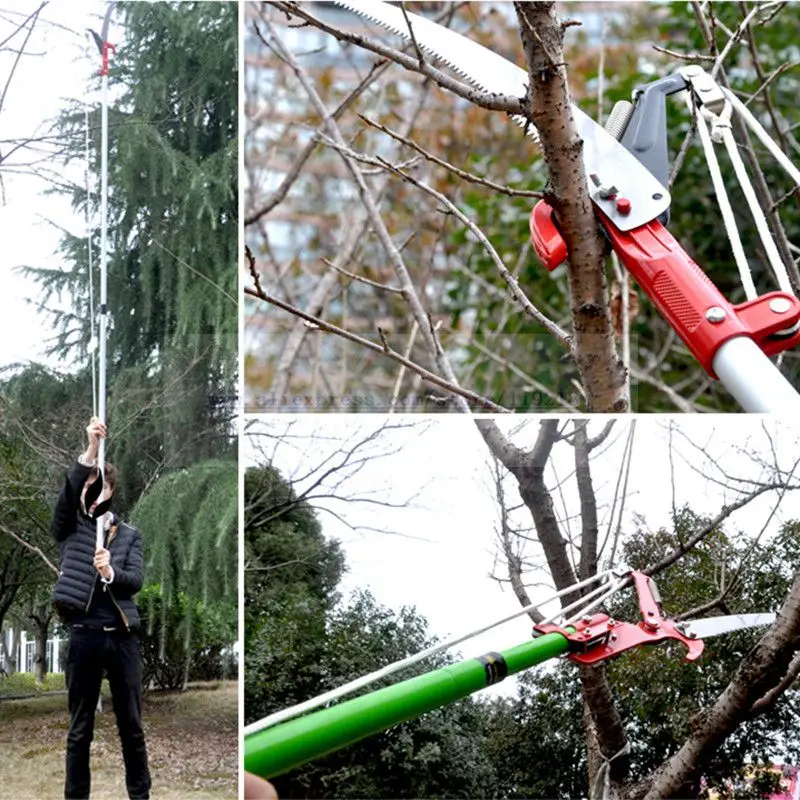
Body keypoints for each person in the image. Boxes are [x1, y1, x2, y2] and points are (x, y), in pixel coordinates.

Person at [51, 416, 151, 800]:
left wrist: (111, 571)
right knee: (79, 730)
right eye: (90, 487)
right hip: (83, 638)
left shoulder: (129, 535)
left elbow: (136, 580)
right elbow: (66, 498)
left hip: (122, 639)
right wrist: (90, 452)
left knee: (132, 727)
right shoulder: (71, 527)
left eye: (101, 487)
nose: (94, 494)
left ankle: (140, 795)